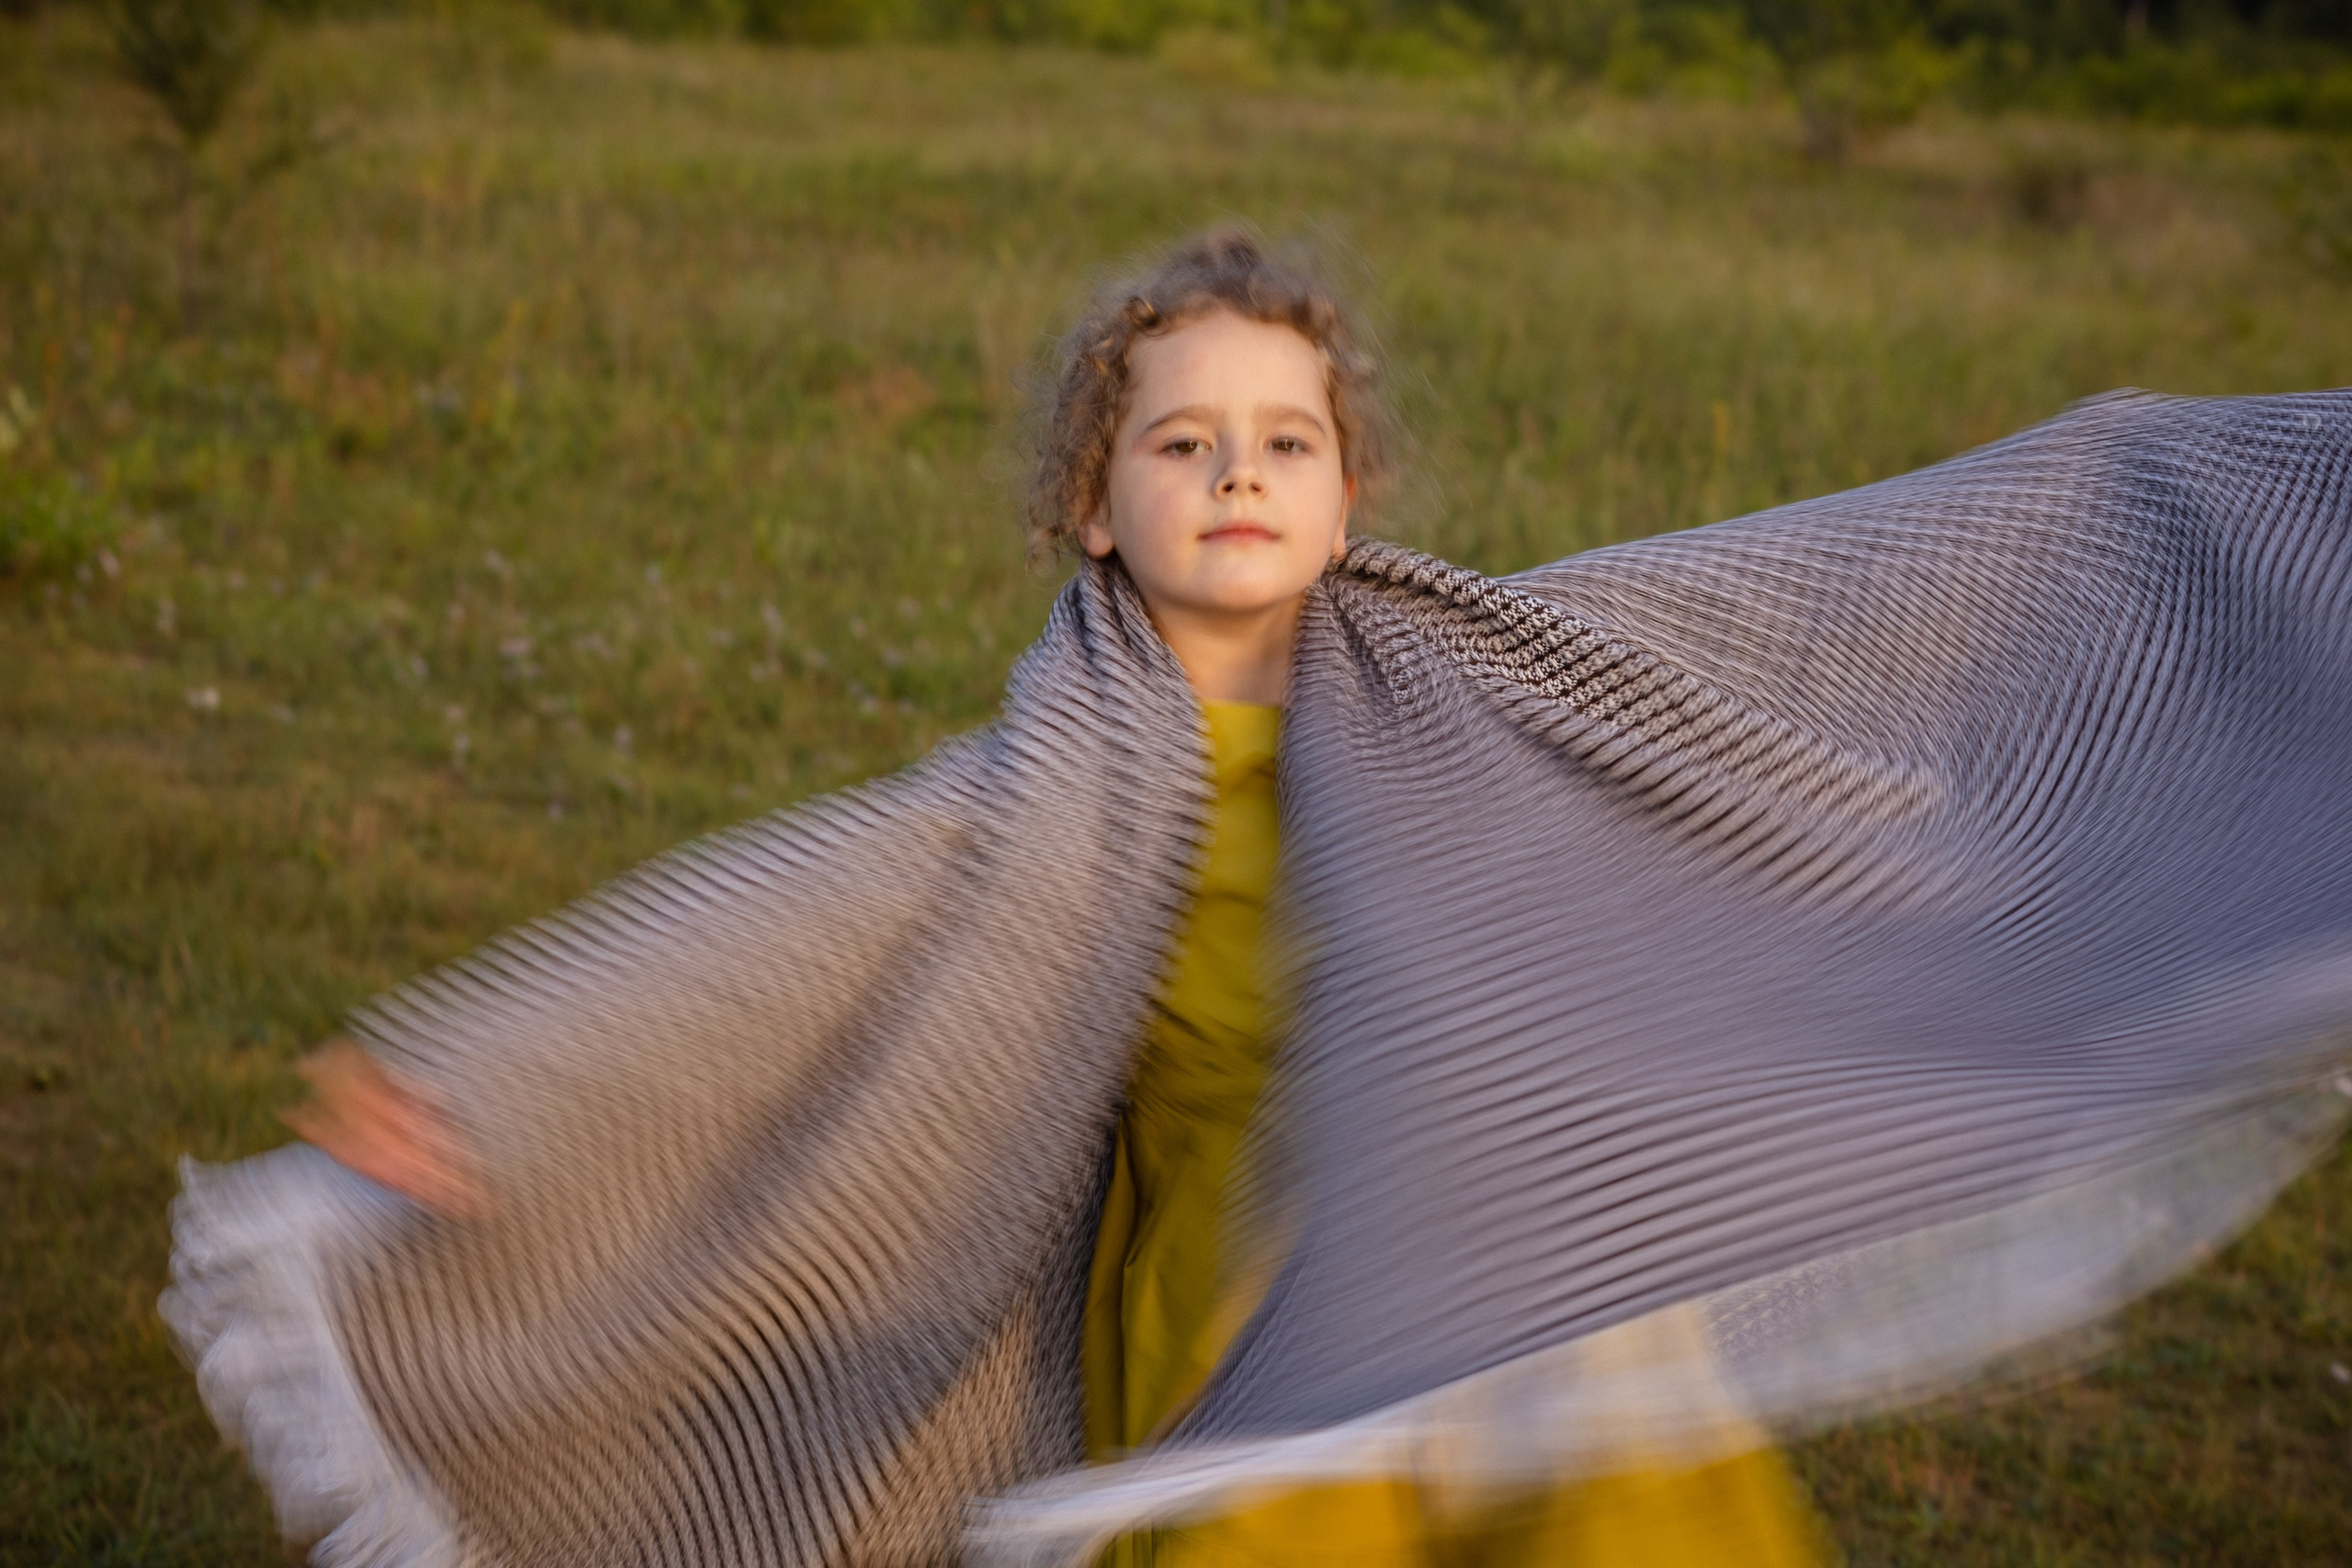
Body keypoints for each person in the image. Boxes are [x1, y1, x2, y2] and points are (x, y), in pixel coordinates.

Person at [285, 231, 1827, 1564]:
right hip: (1250, 1303)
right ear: (1092, 505)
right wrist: (484, 1079)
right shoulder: (1066, 791)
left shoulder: (1463, 707)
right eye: (1181, 444)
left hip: (1511, 1271)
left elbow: (1696, 791)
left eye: (1287, 443)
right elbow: (762, 941)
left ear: (1348, 502)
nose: (1238, 471)